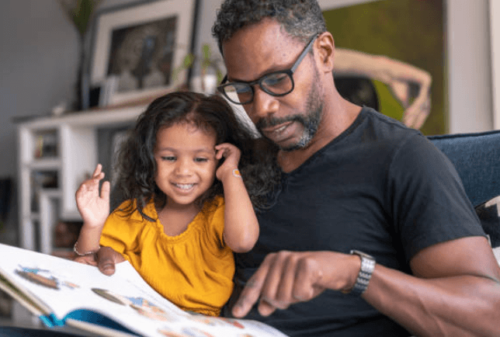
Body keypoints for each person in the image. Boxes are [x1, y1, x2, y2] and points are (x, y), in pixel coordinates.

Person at [208, 0, 500, 336]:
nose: (263, 108)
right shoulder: (239, 159)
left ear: (325, 53)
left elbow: (490, 317)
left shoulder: (401, 157)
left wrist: (355, 273)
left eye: (277, 79)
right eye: (243, 89)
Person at [73, 91, 279, 317]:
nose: (183, 171)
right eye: (169, 158)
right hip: (138, 314)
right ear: (149, 159)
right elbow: (88, 259)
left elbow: (243, 241)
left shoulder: (219, 211)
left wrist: (231, 172)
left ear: (219, 159)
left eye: (200, 159)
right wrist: (93, 225)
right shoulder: (135, 212)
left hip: (199, 324)